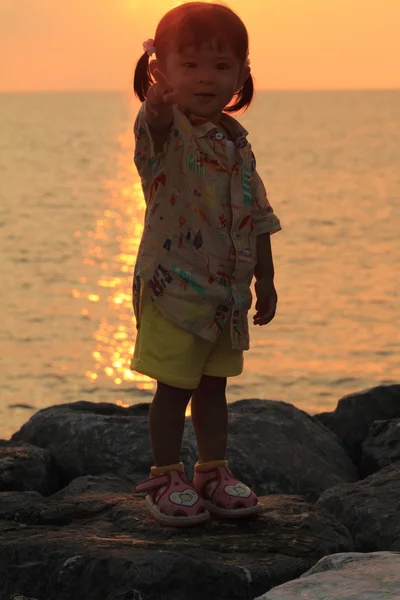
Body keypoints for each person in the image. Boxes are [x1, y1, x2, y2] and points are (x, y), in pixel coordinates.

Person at [130, 1, 282, 527]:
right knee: (173, 388)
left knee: (214, 387)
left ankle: (211, 470)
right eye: (190, 65)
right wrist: (155, 107)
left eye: (222, 66)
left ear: (242, 74)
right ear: (161, 72)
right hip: (175, 289)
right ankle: (165, 473)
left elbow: (257, 216)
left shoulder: (238, 146)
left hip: (226, 295)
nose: (206, 78)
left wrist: (265, 279)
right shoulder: (168, 132)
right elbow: (153, 127)